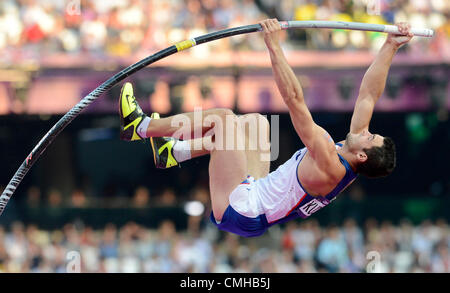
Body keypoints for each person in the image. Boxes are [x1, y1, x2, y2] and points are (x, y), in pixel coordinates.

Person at [118, 19, 412, 237]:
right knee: (256, 124)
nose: (366, 131)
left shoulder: (330, 163)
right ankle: (174, 152)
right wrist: (390, 46)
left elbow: (295, 100)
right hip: (257, 193)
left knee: (222, 119)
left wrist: (273, 45)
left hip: (242, 210)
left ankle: (141, 127)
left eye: (370, 137)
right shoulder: (352, 150)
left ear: (362, 156)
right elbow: (368, 95)